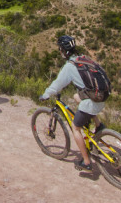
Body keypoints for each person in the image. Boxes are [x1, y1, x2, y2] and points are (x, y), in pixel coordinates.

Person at [39, 35, 105, 172]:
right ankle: (98, 125)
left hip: (92, 100)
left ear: (64, 50)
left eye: (60, 49)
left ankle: (86, 162)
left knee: (75, 128)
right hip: (102, 95)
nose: (59, 51)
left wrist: (45, 95)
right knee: (76, 96)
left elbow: (57, 85)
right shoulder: (83, 58)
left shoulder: (69, 67)